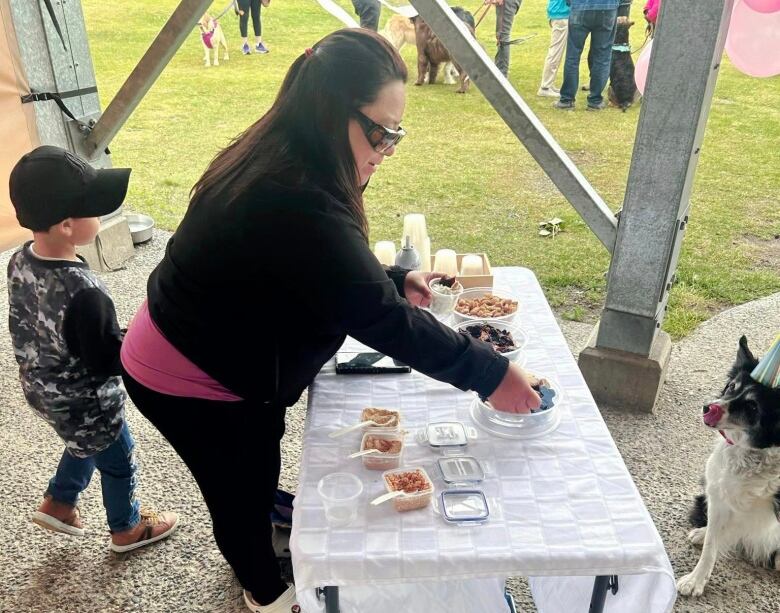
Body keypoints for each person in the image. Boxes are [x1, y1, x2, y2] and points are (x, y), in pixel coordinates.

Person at [119, 29, 540, 613]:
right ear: (331, 109)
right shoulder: (294, 194)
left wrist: (392, 279)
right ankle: (263, 590)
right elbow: (381, 320)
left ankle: (264, 502)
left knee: (254, 465)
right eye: (382, 132)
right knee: (235, 491)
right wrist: (491, 374)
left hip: (208, 340)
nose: (389, 147)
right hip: (189, 376)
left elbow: (318, 267)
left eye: (398, 134)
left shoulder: (291, 151)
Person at [6, 146, 179, 553]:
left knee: (83, 441)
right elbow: (107, 358)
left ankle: (60, 502)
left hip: (42, 386)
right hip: (87, 399)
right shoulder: (84, 293)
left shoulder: (20, 260)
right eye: (95, 208)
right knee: (117, 456)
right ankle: (127, 528)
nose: (101, 215)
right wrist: (139, 337)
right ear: (67, 225)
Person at [554, 0, 619, 110]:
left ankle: (566, 100)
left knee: (573, 56)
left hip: (580, 6)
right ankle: (595, 101)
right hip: (607, 7)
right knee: (602, 58)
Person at [537, 0, 570, 97]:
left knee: (556, 52)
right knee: (555, 52)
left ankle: (549, 84)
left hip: (558, 13)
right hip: (561, 14)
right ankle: (545, 87)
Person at [485, 0, 522, 77]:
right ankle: (499, 70)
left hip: (507, 3)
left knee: (503, 37)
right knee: (501, 36)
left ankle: (502, 74)